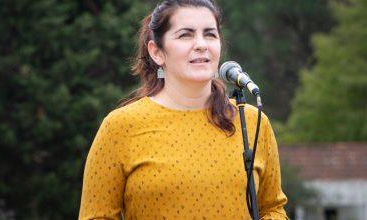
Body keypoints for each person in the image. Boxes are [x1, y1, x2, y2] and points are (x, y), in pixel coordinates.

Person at [78, 0, 289, 219]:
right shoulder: (120, 127)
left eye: (210, 34)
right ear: (157, 52)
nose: (201, 44)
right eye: (185, 35)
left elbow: (273, 209)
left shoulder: (253, 122)